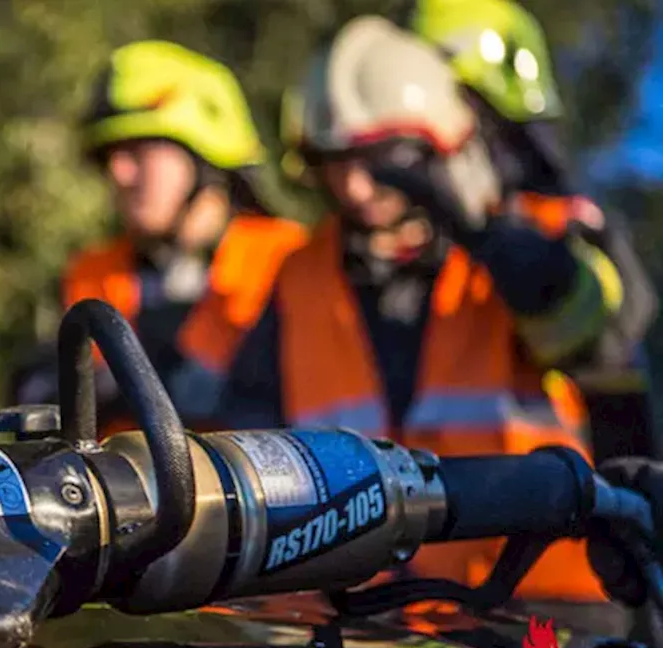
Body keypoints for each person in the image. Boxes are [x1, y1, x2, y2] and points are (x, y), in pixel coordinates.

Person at [177, 17, 626, 601]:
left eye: (381, 160)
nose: (357, 189)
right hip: (370, 616)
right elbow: (250, 434)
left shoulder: (536, 244)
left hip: (541, 611)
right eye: (337, 163)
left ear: (439, 149)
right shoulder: (300, 274)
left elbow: (597, 339)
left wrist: (484, 234)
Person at [405, 0, 659, 463]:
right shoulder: (411, 250)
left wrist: (491, 238)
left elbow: (601, 338)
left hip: (566, 528)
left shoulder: (570, 226)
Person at [13, 40, 309, 433]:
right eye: (110, 156)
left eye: (140, 151)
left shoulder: (289, 262)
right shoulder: (93, 277)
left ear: (204, 156)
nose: (119, 172)